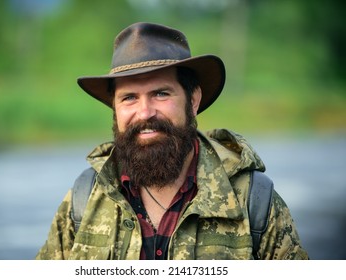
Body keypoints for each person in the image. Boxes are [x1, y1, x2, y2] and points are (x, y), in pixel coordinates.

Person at [36, 22, 309, 260]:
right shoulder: (84, 199)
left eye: (161, 94)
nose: (144, 113)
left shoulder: (253, 201)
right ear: (115, 109)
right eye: (129, 97)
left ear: (193, 101)